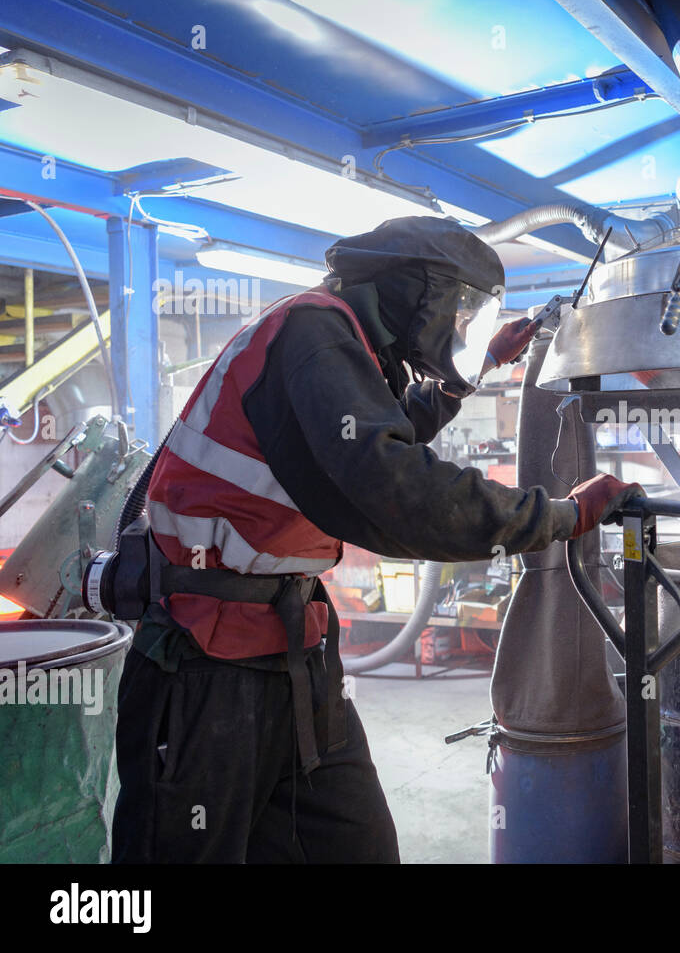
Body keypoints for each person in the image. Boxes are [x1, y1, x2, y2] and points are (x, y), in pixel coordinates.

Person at [110, 216, 641, 863]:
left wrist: (463, 377)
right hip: (202, 661)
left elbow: (372, 434)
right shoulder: (311, 333)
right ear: (417, 292)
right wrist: (563, 516)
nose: (463, 325)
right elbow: (398, 491)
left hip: (295, 653)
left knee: (356, 847)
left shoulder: (348, 348)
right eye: (461, 308)